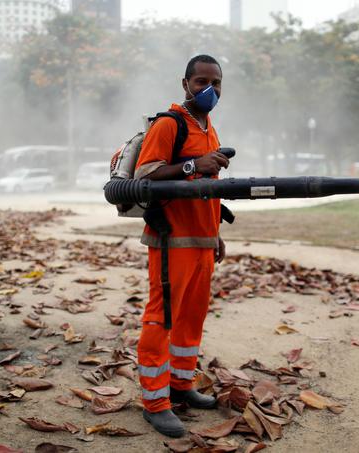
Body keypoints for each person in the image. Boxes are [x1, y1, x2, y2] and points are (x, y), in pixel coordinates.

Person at [134, 54, 230, 438]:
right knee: (162, 317)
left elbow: (207, 186)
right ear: (185, 83)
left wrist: (216, 234)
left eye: (216, 82)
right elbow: (145, 175)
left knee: (192, 315)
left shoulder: (208, 127)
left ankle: (180, 384)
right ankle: (155, 402)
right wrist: (195, 165)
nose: (209, 89)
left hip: (202, 239)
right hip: (172, 238)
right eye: (200, 81)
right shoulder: (168, 124)